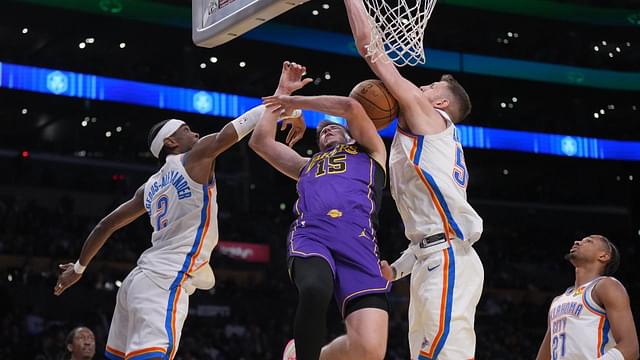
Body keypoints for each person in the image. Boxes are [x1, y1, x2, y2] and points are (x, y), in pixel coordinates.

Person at [53, 99, 304, 359]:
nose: (194, 133)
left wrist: (79, 268)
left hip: (136, 282)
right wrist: (287, 104)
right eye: (186, 129)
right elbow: (238, 127)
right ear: (170, 142)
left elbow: (106, 224)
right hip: (165, 278)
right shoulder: (195, 157)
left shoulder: (149, 187)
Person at [342, 0, 484, 358]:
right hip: (430, 259)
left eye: (433, 85)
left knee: (443, 354)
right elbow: (427, 225)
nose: (423, 86)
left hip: (450, 258)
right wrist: (398, 268)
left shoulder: (429, 120)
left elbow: (371, 51)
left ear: (441, 105)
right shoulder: (428, 136)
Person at [249, 61, 390, 360]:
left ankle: (298, 355)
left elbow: (351, 107)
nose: (325, 131)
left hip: (360, 242)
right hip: (313, 235)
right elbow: (260, 141)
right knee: (314, 290)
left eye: (332, 127)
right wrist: (281, 92)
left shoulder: (372, 152)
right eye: (321, 132)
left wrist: (294, 102)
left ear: (350, 136)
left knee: (370, 350)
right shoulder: (305, 166)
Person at [536, 235, 639, 360]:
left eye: (588, 241)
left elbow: (630, 348)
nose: (577, 242)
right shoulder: (558, 301)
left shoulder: (606, 286)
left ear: (603, 256)